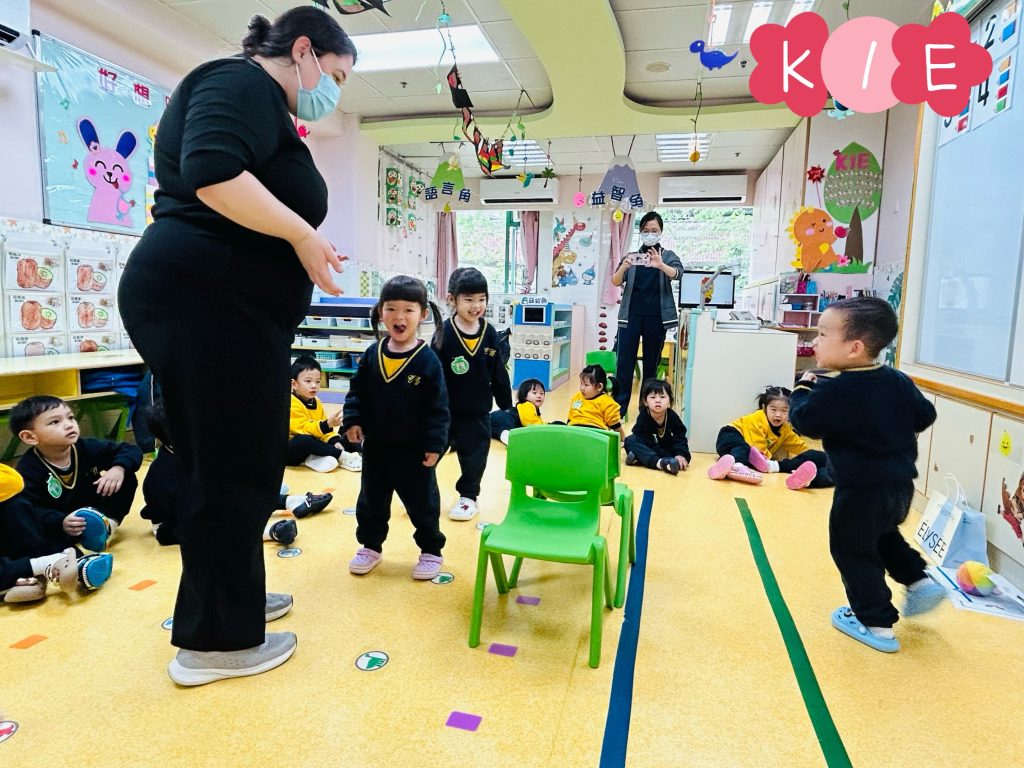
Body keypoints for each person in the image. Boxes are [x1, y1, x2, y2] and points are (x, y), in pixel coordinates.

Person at [117, 7, 357, 685]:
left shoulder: (265, 104)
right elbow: (213, 171)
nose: (334, 92)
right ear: (303, 50)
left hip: (220, 306)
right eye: (336, 75)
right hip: (205, 300)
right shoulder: (239, 80)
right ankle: (216, 643)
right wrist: (301, 234)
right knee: (229, 468)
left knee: (237, 460)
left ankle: (233, 600)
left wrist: (299, 241)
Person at [789, 297, 944, 653]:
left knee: (852, 549)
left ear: (855, 348)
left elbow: (805, 422)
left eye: (823, 334)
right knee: (881, 533)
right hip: (899, 486)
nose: (814, 341)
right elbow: (924, 415)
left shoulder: (835, 389)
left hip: (859, 490)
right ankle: (918, 581)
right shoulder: (896, 379)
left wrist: (802, 388)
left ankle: (876, 622)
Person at [342, 276, 450, 580]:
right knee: (371, 501)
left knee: (422, 504)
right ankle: (370, 546)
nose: (398, 317)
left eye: (408, 310)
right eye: (390, 308)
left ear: (423, 314)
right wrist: (353, 420)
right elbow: (356, 392)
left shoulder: (428, 361)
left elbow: (438, 408)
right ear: (380, 311)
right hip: (376, 448)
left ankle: (431, 550)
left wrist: (435, 445)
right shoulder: (371, 354)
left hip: (414, 452)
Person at [141, 401, 333, 547]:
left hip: (206, 501)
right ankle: (271, 532)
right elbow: (188, 510)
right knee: (214, 525)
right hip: (174, 523)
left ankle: (293, 502)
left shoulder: (195, 449)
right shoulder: (163, 474)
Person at [12, 396, 142, 551]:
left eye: (71, 417)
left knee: (126, 474)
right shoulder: (28, 469)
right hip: (63, 522)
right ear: (30, 437)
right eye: (55, 422)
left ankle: (109, 526)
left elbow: (130, 450)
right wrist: (60, 521)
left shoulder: (86, 447)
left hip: (97, 510)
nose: (69, 425)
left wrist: (118, 468)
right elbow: (28, 509)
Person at [437, 268, 512, 521]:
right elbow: (432, 372)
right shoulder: (444, 332)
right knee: (430, 451)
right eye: (469, 299)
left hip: (477, 410)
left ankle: (468, 497)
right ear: (452, 299)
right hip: (444, 411)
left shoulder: (489, 332)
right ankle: (420, 493)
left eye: (481, 299)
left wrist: (506, 403)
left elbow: (498, 370)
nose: (476, 306)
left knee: (475, 456)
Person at [0, 464, 111, 604]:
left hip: (16, 546)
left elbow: (14, 486)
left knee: (16, 507)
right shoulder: (30, 466)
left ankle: (42, 568)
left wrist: (60, 522)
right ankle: (39, 567)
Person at [610, 212, 684, 418]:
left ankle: (646, 410)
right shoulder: (632, 256)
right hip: (630, 317)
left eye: (654, 231)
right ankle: (619, 410)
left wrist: (660, 264)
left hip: (656, 318)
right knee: (624, 364)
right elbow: (616, 281)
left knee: (651, 365)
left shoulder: (667, 256)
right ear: (640, 232)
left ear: (661, 232)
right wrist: (624, 266)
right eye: (646, 231)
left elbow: (679, 273)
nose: (650, 234)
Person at [708, 386, 834, 489]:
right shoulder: (758, 419)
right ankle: (737, 466)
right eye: (773, 410)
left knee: (814, 456)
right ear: (764, 408)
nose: (778, 415)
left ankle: (725, 468)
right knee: (742, 448)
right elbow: (757, 450)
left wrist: (809, 456)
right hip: (731, 435)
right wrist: (768, 461)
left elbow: (798, 445)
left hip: (751, 455)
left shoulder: (785, 429)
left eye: (784, 411)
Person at [288, 355, 362, 472]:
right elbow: (304, 429)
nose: (314, 385)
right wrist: (327, 424)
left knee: (345, 429)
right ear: (294, 384)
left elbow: (324, 432)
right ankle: (343, 457)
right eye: (308, 381)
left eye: (317, 381)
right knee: (304, 440)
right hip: (291, 449)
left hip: (314, 443)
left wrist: (334, 441)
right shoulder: (290, 402)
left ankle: (319, 457)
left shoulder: (316, 401)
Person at [624, 379, 690, 475]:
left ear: (669, 402)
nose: (658, 400)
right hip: (650, 448)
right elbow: (644, 441)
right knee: (630, 440)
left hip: (666, 449)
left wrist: (680, 454)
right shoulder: (643, 418)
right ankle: (661, 463)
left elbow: (680, 436)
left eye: (662, 397)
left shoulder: (672, 416)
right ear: (645, 402)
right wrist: (663, 457)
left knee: (686, 454)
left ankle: (639, 458)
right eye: (653, 397)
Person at [567, 365, 626, 440]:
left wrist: (623, 438)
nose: (582, 388)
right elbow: (570, 418)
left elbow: (615, 425)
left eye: (586, 385)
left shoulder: (608, 402)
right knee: (556, 424)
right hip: (575, 430)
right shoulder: (577, 396)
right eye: (581, 383)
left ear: (599, 387)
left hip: (595, 433)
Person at [489, 378, 548, 445]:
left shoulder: (533, 408)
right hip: (504, 417)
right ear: (524, 395)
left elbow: (535, 420)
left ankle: (501, 433)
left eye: (541, 393)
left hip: (495, 417)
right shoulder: (527, 405)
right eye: (534, 393)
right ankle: (507, 435)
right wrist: (546, 426)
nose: (539, 396)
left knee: (491, 428)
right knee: (504, 428)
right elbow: (530, 422)